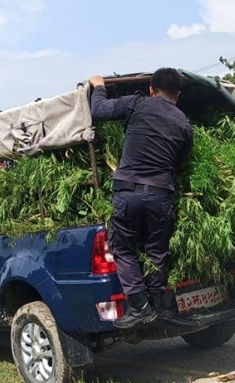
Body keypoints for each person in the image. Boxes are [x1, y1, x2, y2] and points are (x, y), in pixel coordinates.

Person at [89, 68, 193, 329]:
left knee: (123, 248)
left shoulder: (137, 104)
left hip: (129, 194)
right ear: (177, 95)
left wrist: (99, 86)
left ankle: (139, 307)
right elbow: (182, 161)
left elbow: (99, 111)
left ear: (151, 89)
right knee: (156, 250)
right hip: (161, 196)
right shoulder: (183, 123)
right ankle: (160, 306)